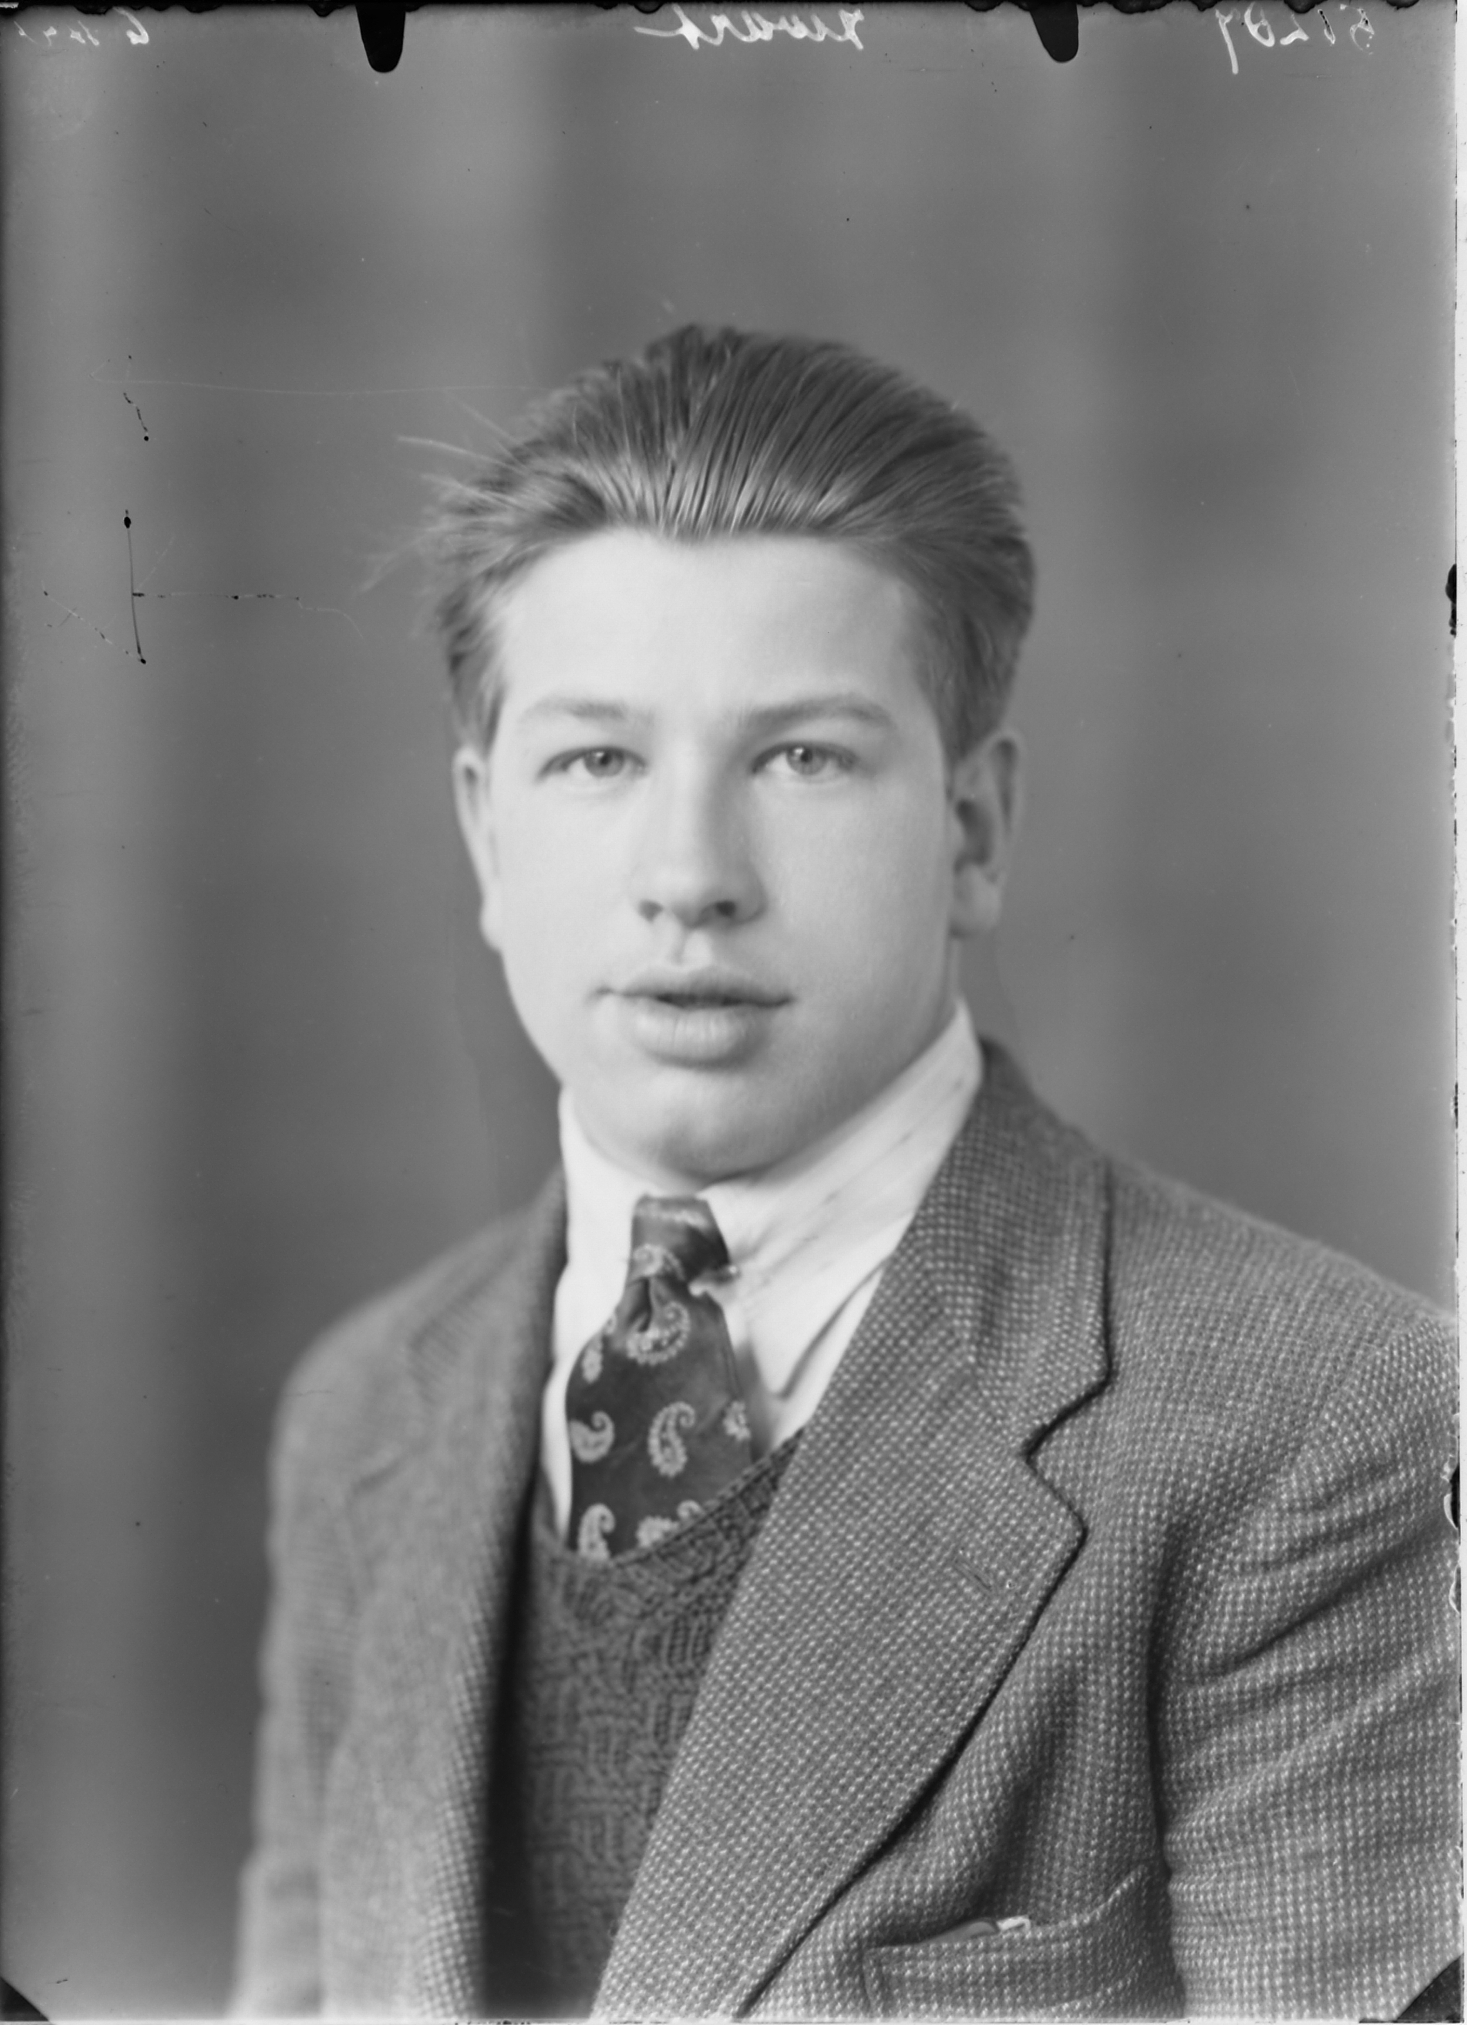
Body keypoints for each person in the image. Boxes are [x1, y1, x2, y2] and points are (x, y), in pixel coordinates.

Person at [231, 325, 1458, 2021]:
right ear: (486, 833)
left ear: (972, 833)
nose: (691, 875)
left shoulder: (1323, 1429)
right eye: (597, 759)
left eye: (802, 756)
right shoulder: (363, 1409)